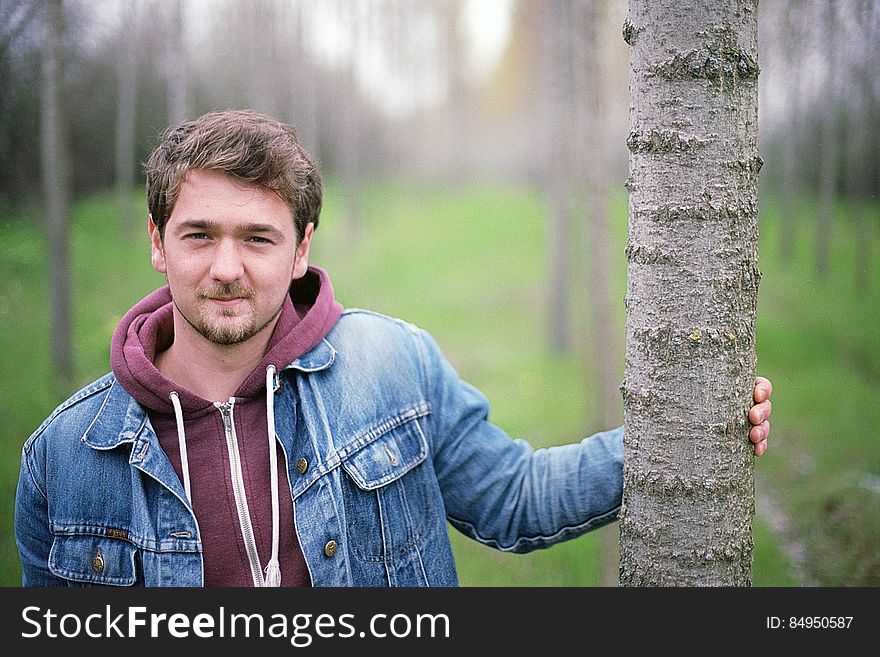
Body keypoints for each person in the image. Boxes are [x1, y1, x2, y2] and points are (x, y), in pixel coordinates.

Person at [15, 109, 773, 587]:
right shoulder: (64, 461)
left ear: (302, 248)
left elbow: (516, 500)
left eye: (257, 237)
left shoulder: (391, 365)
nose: (225, 267)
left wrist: (686, 431)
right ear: (157, 241)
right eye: (199, 234)